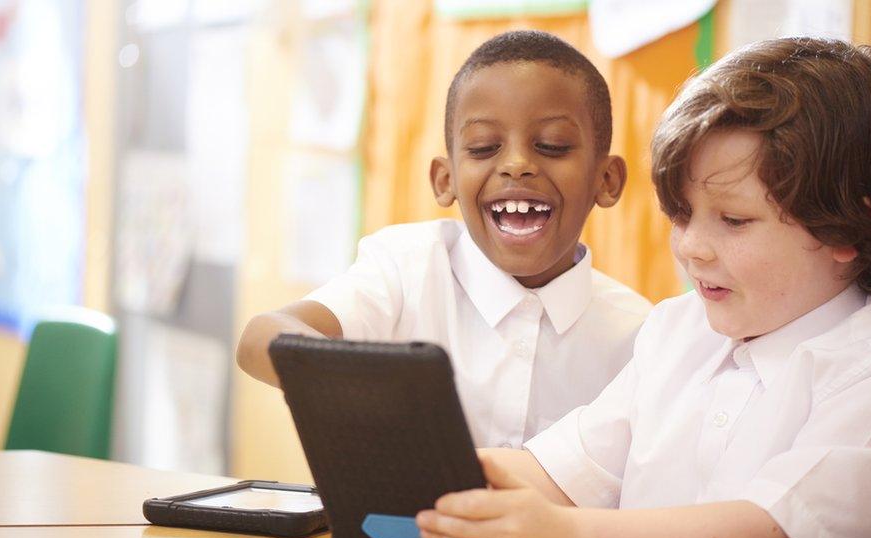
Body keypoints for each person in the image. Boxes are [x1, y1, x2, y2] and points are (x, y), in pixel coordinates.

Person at [416, 37, 871, 538]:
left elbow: (766, 532)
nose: (692, 248)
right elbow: (559, 473)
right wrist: (416, 474)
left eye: (734, 220)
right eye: (681, 214)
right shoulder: (678, 330)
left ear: (846, 228)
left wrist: (563, 534)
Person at [236, 30, 651, 448]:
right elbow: (260, 338)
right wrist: (366, 390)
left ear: (607, 180)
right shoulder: (405, 269)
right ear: (444, 179)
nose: (517, 164)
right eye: (484, 147)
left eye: (552, 145)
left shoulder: (641, 335)